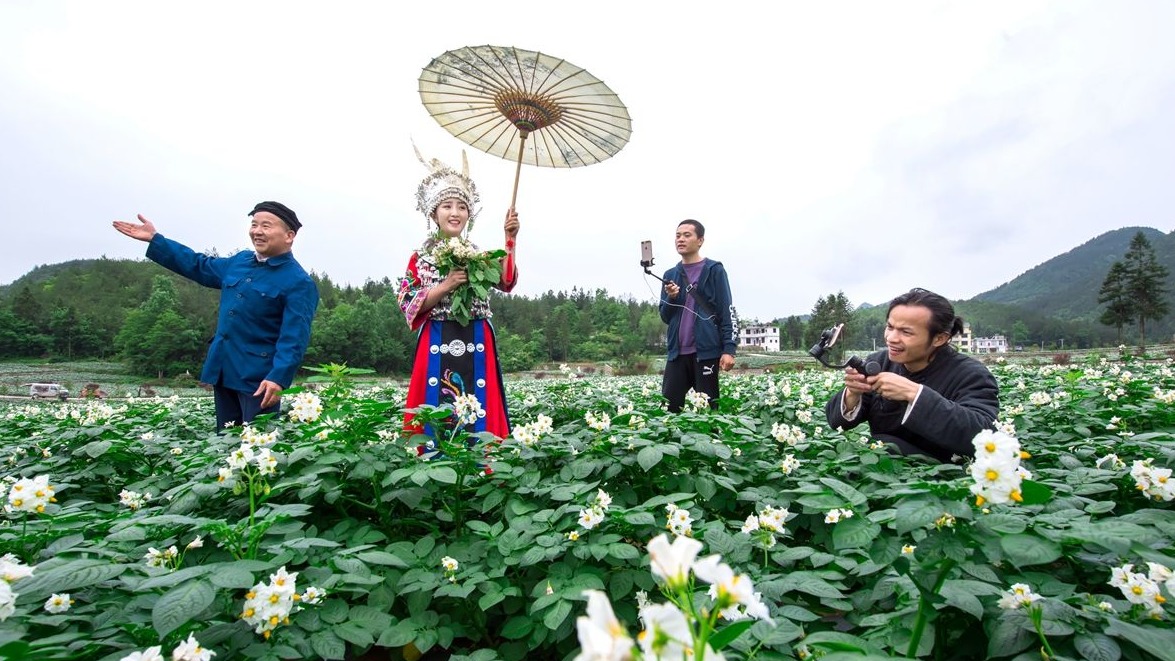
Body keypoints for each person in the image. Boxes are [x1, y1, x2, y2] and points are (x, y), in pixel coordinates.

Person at [112, 202, 319, 431]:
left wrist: (278, 377)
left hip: (259, 379)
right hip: (224, 368)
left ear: (289, 236)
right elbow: (198, 265)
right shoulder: (240, 261)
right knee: (225, 440)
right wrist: (156, 240)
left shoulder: (298, 282)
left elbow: (294, 338)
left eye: (266, 226)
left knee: (258, 445)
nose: (257, 231)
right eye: (254, 225)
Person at [398, 150, 519, 438]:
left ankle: (483, 463)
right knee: (434, 401)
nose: (455, 213)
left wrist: (510, 239)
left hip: (476, 336)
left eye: (462, 207)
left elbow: (506, 282)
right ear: (433, 213)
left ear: (469, 215)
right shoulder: (420, 258)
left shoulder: (478, 256)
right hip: (437, 338)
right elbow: (407, 304)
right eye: (447, 206)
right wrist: (444, 286)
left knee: (481, 401)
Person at [824, 287, 999, 462]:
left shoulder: (971, 374)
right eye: (890, 327)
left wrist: (915, 394)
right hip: (880, 469)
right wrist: (852, 393)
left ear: (939, 338)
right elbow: (836, 423)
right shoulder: (879, 362)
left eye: (906, 332)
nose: (891, 338)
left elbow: (983, 434)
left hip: (943, 478)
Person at [659, 219, 738, 412]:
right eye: (678, 236)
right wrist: (672, 297)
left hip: (706, 353)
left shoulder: (714, 270)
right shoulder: (670, 274)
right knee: (668, 409)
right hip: (677, 354)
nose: (681, 239)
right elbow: (665, 316)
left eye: (687, 235)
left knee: (708, 411)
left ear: (700, 240)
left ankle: (712, 442)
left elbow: (727, 310)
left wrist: (729, 349)